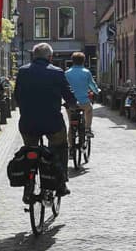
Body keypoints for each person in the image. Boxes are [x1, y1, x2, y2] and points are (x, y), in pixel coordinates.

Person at [14, 43, 78, 196]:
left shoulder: (22, 72)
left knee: (30, 149)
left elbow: (16, 96)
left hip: (28, 122)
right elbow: (68, 95)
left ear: (33, 56)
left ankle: (28, 183)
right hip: (52, 123)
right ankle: (61, 183)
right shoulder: (57, 72)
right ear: (50, 57)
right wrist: (73, 105)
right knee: (61, 147)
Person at [65, 52, 100, 139]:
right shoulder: (86, 72)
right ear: (83, 61)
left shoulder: (67, 73)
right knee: (89, 109)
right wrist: (97, 91)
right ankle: (88, 129)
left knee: (71, 124)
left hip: (70, 103)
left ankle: (71, 147)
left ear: (72, 61)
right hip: (84, 102)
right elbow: (92, 84)